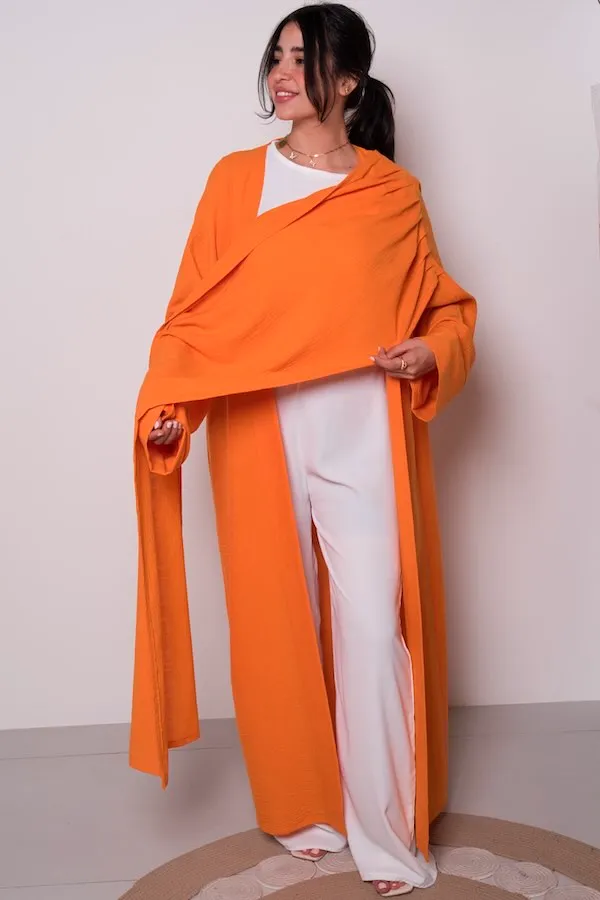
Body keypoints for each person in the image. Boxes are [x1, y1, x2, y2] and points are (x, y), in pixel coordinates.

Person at [130, 3, 476, 897]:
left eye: (302, 59)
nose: (282, 75)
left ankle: (388, 836)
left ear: (348, 81)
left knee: (372, 626)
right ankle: (308, 808)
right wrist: (172, 409)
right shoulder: (234, 181)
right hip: (259, 425)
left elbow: (444, 307)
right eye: (276, 58)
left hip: (364, 423)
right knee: (276, 624)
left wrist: (430, 352)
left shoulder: (391, 193)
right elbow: (194, 315)